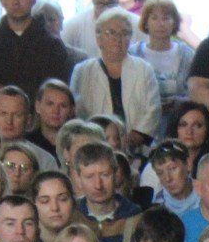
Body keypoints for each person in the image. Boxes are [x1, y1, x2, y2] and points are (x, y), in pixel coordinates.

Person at [69, 9, 166, 146]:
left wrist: (133, 138)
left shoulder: (144, 69)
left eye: (124, 33)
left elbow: (153, 110)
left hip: (137, 146)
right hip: (94, 145)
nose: (118, 39)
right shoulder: (82, 71)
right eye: (111, 33)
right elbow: (77, 111)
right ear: (98, 38)